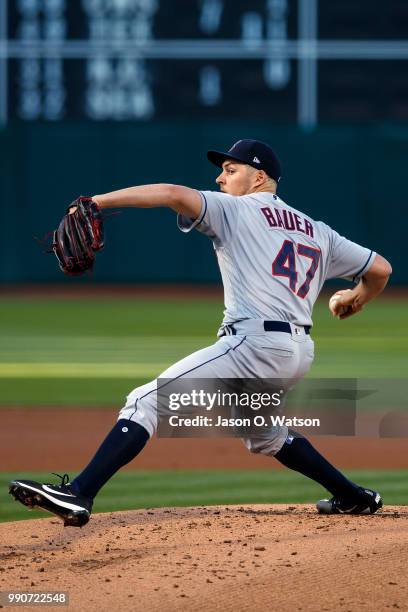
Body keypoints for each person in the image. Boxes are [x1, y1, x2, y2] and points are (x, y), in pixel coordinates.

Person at [9, 139, 391, 526]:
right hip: (296, 351)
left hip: (252, 345)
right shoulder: (317, 230)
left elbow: (172, 193)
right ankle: (352, 496)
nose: (220, 178)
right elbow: (380, 269)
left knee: (145, 401)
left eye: (231, 170)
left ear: (259, 177)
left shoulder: (235, 209)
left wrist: (96, 202)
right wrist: (353, 299)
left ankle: (79, 493)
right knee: (264, 434)